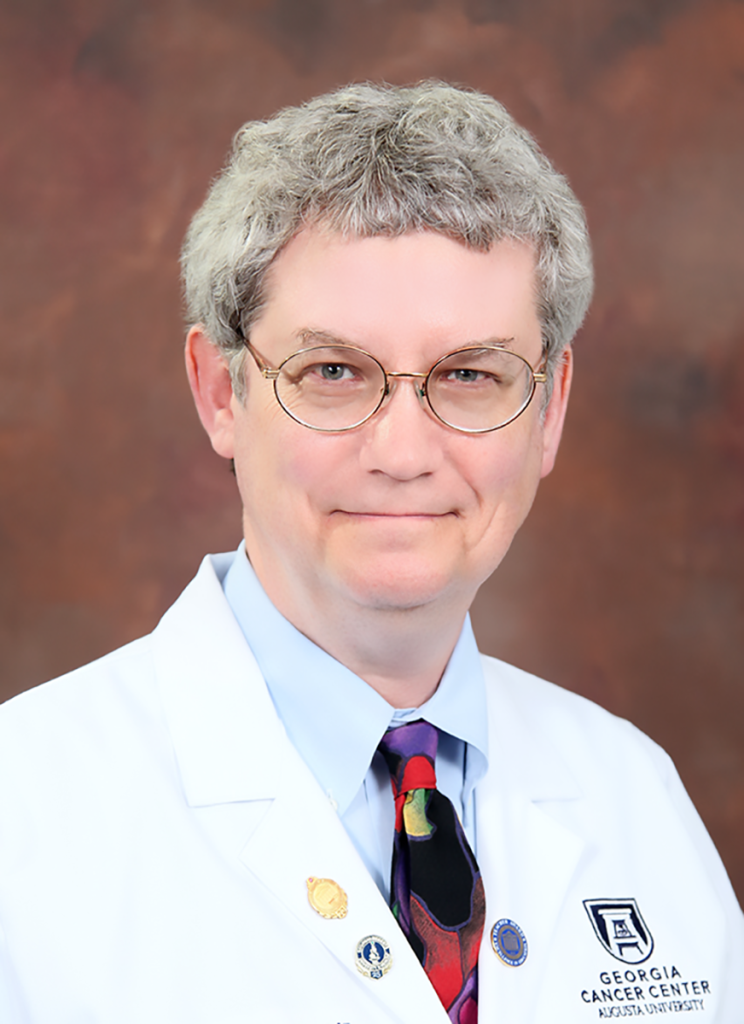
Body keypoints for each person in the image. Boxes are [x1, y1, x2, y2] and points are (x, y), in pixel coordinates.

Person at [0, 82, 741, 1024]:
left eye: (470, 374)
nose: (401, 454)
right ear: (221, 393)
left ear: (550, 411)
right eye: (334, 372)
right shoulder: (20, 814)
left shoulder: (634, 797)